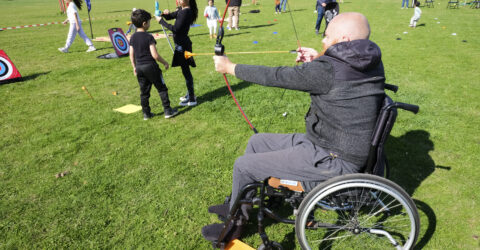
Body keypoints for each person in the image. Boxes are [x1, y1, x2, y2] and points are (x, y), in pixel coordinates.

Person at [202, 12, 386, 243]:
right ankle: (239, 203)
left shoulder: (326, 71)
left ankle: (233, 225)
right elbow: (336, 72)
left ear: (345, 40)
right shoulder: (369, 61)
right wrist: (318, 57)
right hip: (332, 142)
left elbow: (278, 76)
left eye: (327, 37)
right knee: (257, 142)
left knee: (243, 165)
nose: (323, 40)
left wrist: (231, 68)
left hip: (334, 157)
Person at [129, 9, 179, 120]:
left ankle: (146, 113)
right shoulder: (149, 37)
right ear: (144, 23)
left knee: (144, 92)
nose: (149, 24)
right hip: (151, 67)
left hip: (139, 68)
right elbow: (155, 55)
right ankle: (167, 110)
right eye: (149, 22)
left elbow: (131, 54)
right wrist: (165, 62)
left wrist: (134, 67)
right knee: (162, 88)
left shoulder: (132, 37)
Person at [156, 0, 199, 106]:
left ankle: (192, 98)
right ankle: (190, 93)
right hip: (180, 44)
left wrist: (161, 21)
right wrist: (163, 14)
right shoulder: (181, 9)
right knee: (185, 70)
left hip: (183, 45)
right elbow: (171, 16)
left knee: (186, 71)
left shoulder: (186, 12)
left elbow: (176, 29)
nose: (179, 0)